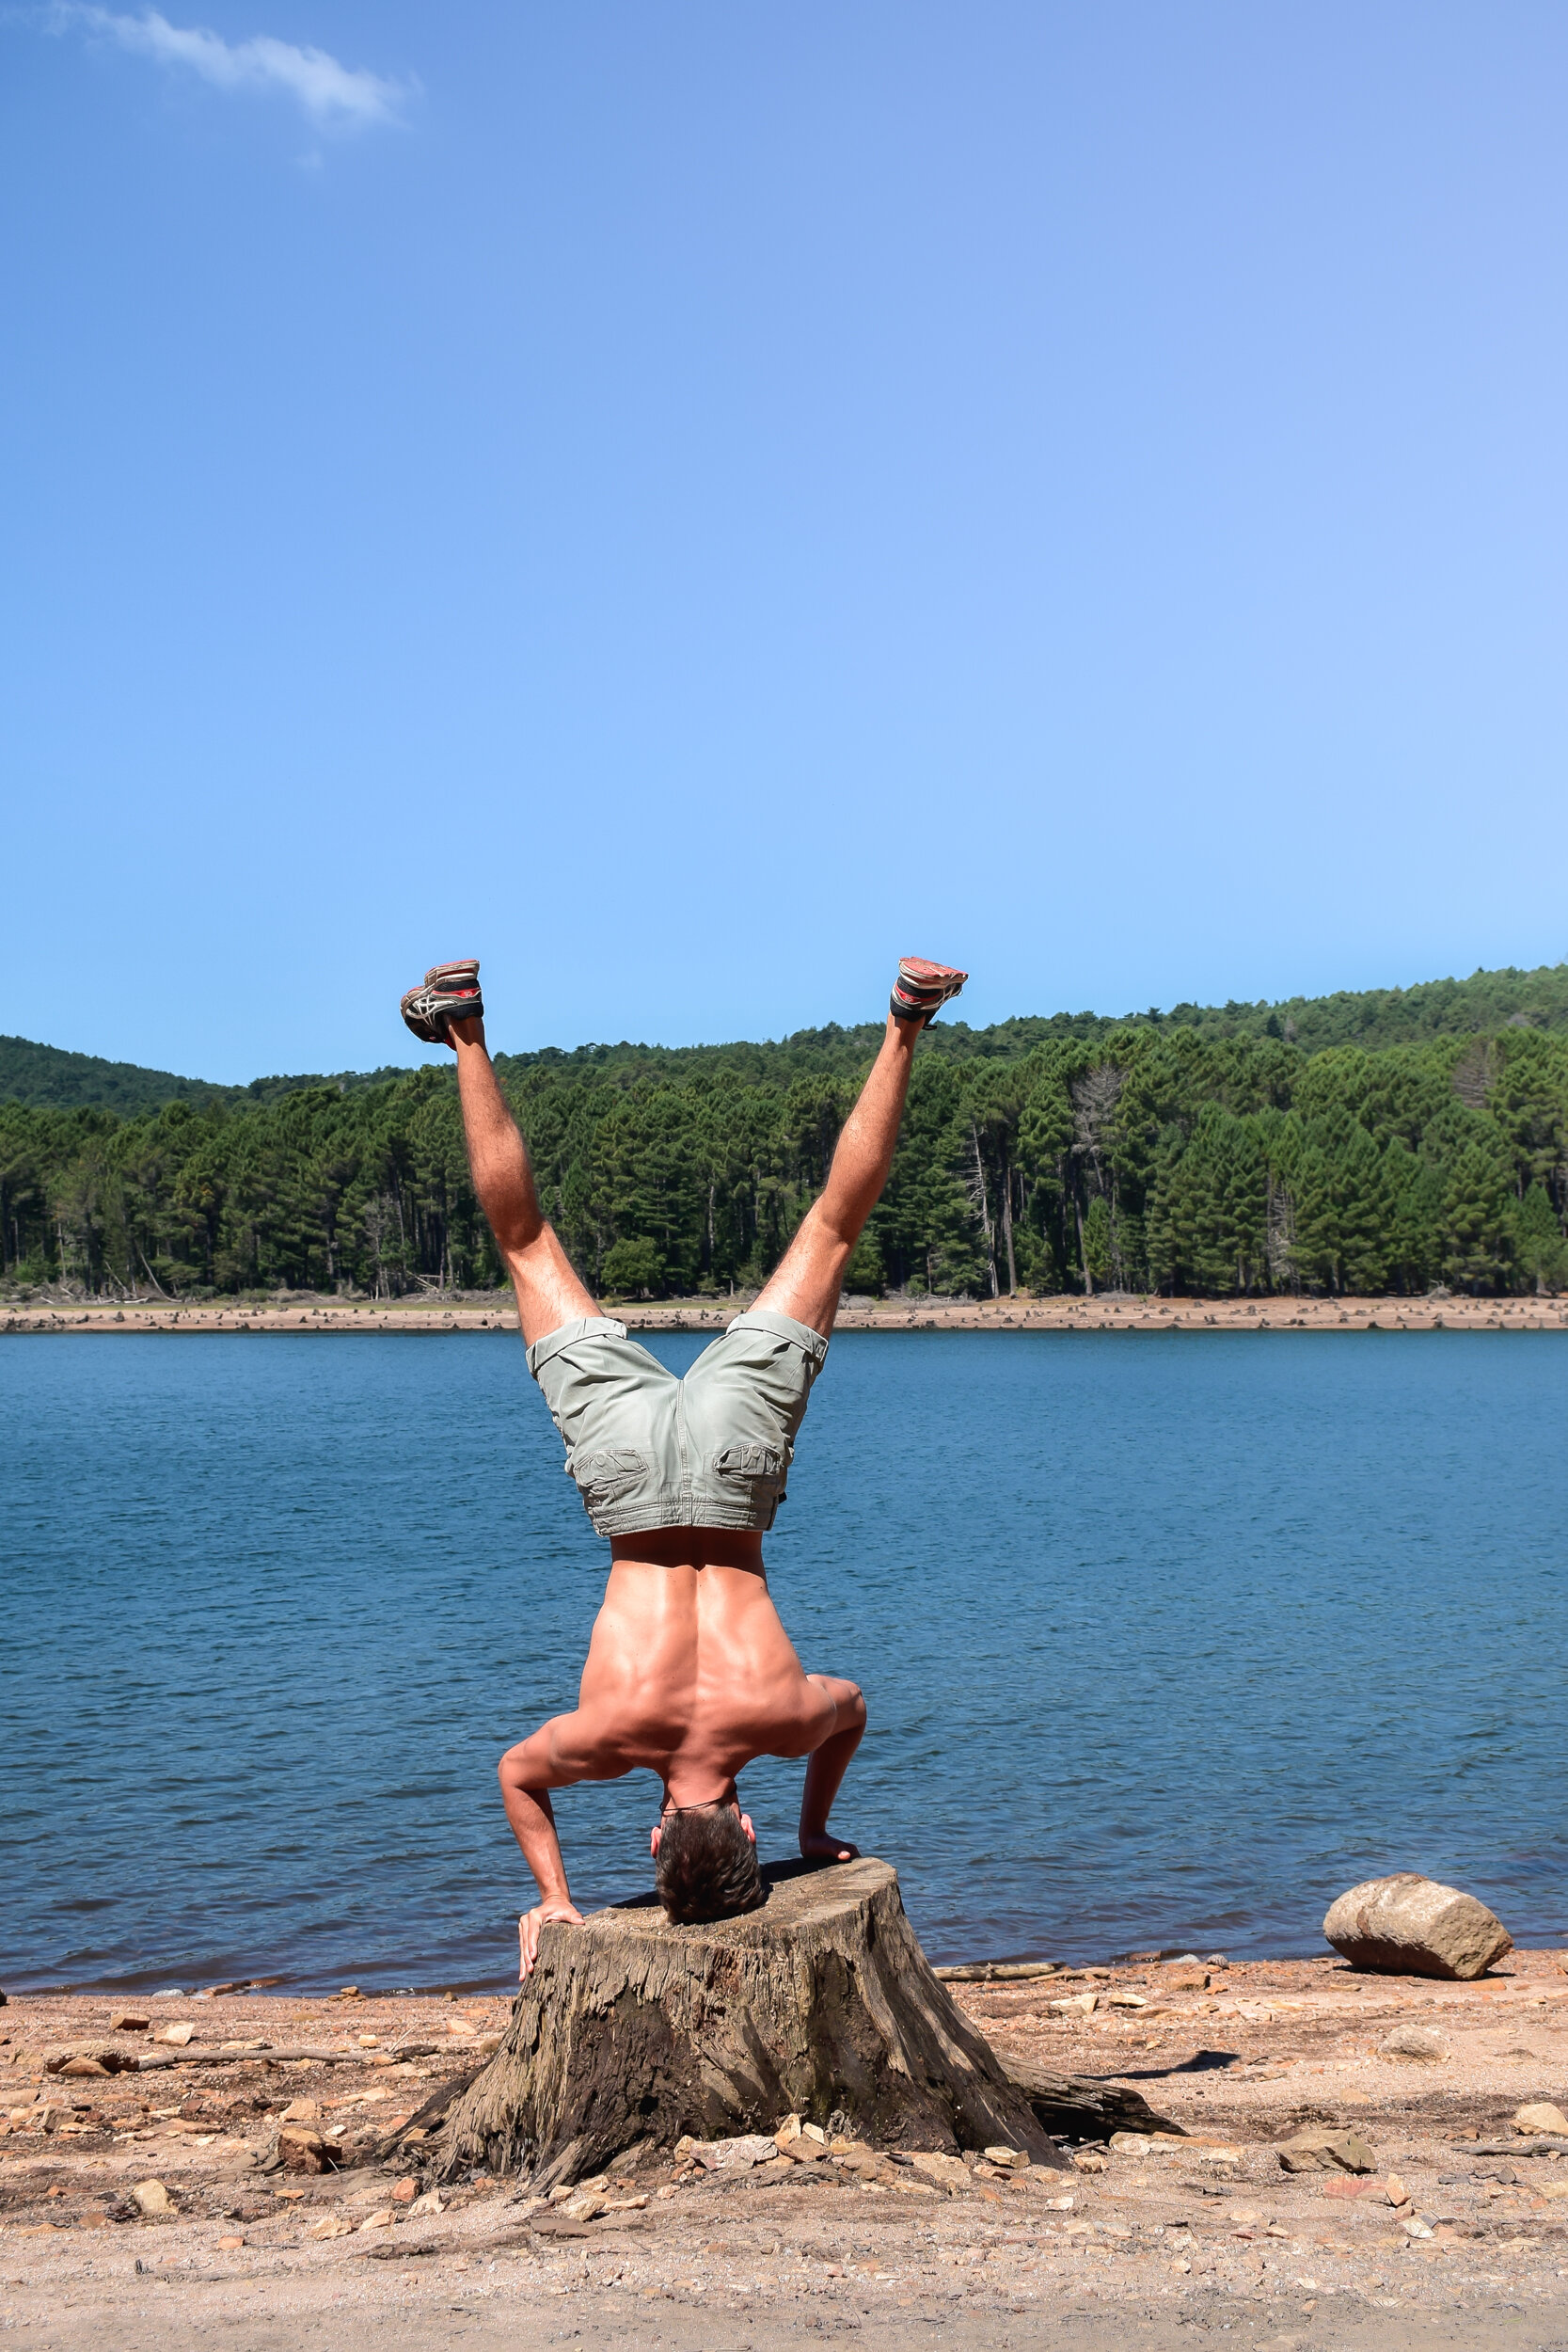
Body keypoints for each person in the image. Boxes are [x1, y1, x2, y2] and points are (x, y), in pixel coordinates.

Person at [400, 953, 967, 1978]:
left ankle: (904, 1023)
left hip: (730, 1473)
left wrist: (812, 1827)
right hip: (626, 1484)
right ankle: (464, 1030)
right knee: (525, 1245)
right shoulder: (608, 1736)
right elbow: (516, 1777)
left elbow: (853, 1711)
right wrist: (555, 1896)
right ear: (660, 1835)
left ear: (745, 1834)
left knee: (831, 1231)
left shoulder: (787, 1717)